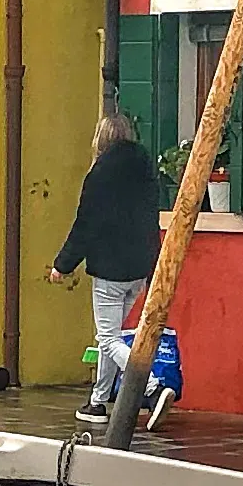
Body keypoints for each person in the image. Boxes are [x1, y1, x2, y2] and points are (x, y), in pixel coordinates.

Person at [50, 108, 167, 423]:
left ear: (100, 140)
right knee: (111, 335)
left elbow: (86, 225)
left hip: (109, 270)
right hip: (138, 269)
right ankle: (98, 401)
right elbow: (150, 221)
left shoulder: (99, 176)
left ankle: (153, 387)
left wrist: (63, 264)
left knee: (108, 339)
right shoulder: (146, 172)